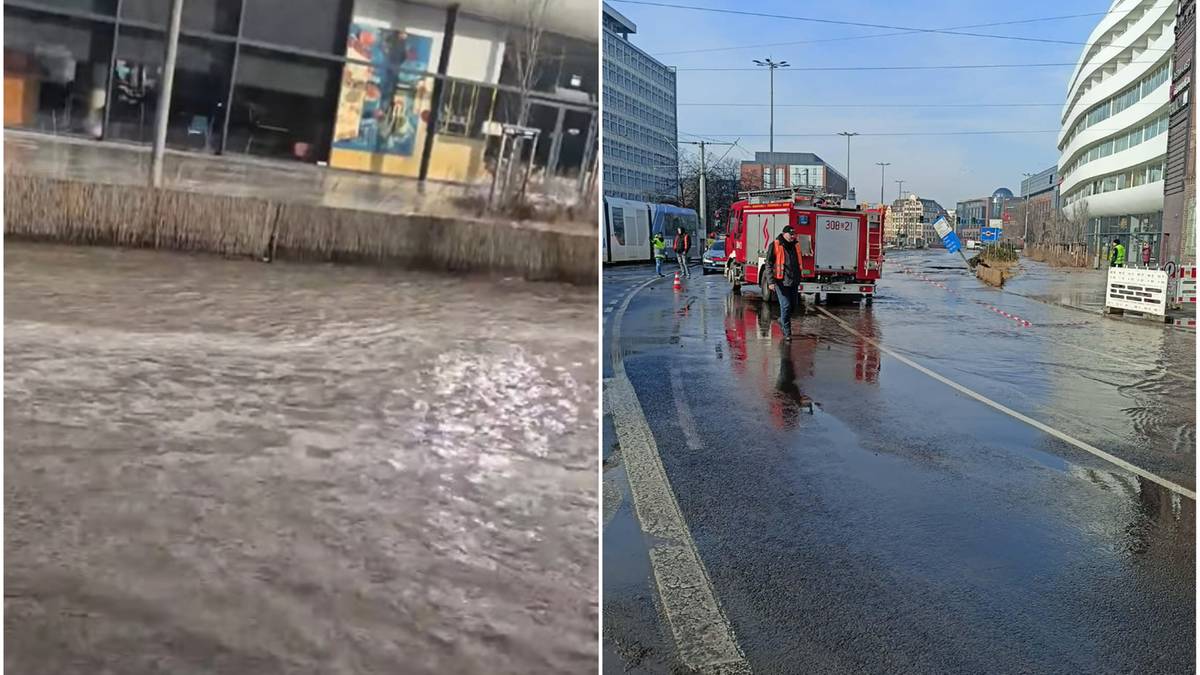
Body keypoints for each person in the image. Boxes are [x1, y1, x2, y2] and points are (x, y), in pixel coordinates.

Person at [764, 225, 801, 340]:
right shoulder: (775, 245)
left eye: (793, 234)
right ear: (784, 234)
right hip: (781, 281)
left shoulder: (796, 245)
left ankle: (782, 320)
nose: (792, 236)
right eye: (790, 234)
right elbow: (769, 264)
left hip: (794, 281)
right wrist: (770, 282)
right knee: (785, 306)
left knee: (794, 306)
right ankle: (787, 332)